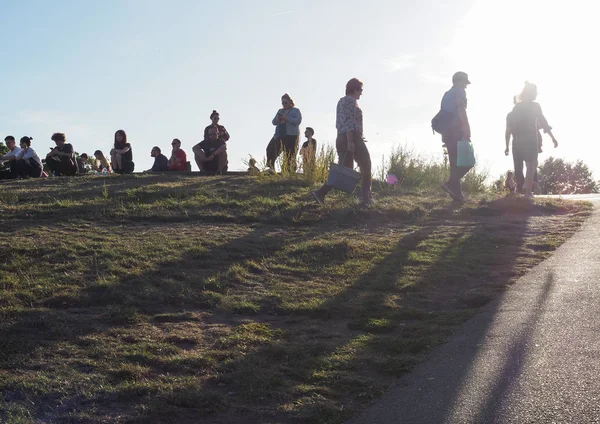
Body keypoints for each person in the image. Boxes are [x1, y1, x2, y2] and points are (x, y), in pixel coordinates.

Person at [312, 78, 372, 206]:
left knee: (344, 170)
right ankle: (366, 199)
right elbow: (349, 122)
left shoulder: (341, 102)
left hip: (341, 137)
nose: (361, 93)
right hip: (351, 137)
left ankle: (321, 192)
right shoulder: (350, 101)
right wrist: (351, 140)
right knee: (366, 165)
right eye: (360, 90)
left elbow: (342, 122)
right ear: (354, 89)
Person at [505, 82, 558, 199]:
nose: (536, 95)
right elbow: (544, 122)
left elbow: (509, 128)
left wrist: (509, 144)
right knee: (531, 165)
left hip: (517, 140)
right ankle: (528, 192)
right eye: (535, 92)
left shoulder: (516, 107)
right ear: (532, 93)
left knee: (518, 167)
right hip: (530, 139)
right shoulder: (535, 106)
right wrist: (552, 137)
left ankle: (520, 189)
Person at [438, 71, 473, 202]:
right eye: (465, 83)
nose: (466, 86)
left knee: (455, 163)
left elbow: (443, 115)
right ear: (458, 81)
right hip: (457, 131)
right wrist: (467, 128)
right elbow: (461, 110)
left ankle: (457, 195)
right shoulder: (459, 92)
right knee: (468, 162)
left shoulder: (447, 94)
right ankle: (451, 183)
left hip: (447, 133)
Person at [266, 93, 302, 171]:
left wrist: (286, 118)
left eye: (285, 103)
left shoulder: (295, 111)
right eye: (283, 103)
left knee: (289, 154)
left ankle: (289, 170)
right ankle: (270, 167)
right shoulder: (280, 111)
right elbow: (273, 122)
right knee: (270, 149)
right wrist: (278, 119)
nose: (284, 104)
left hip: (291, 135)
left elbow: (298, 121)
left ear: (290, 102)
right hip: (279, 134)